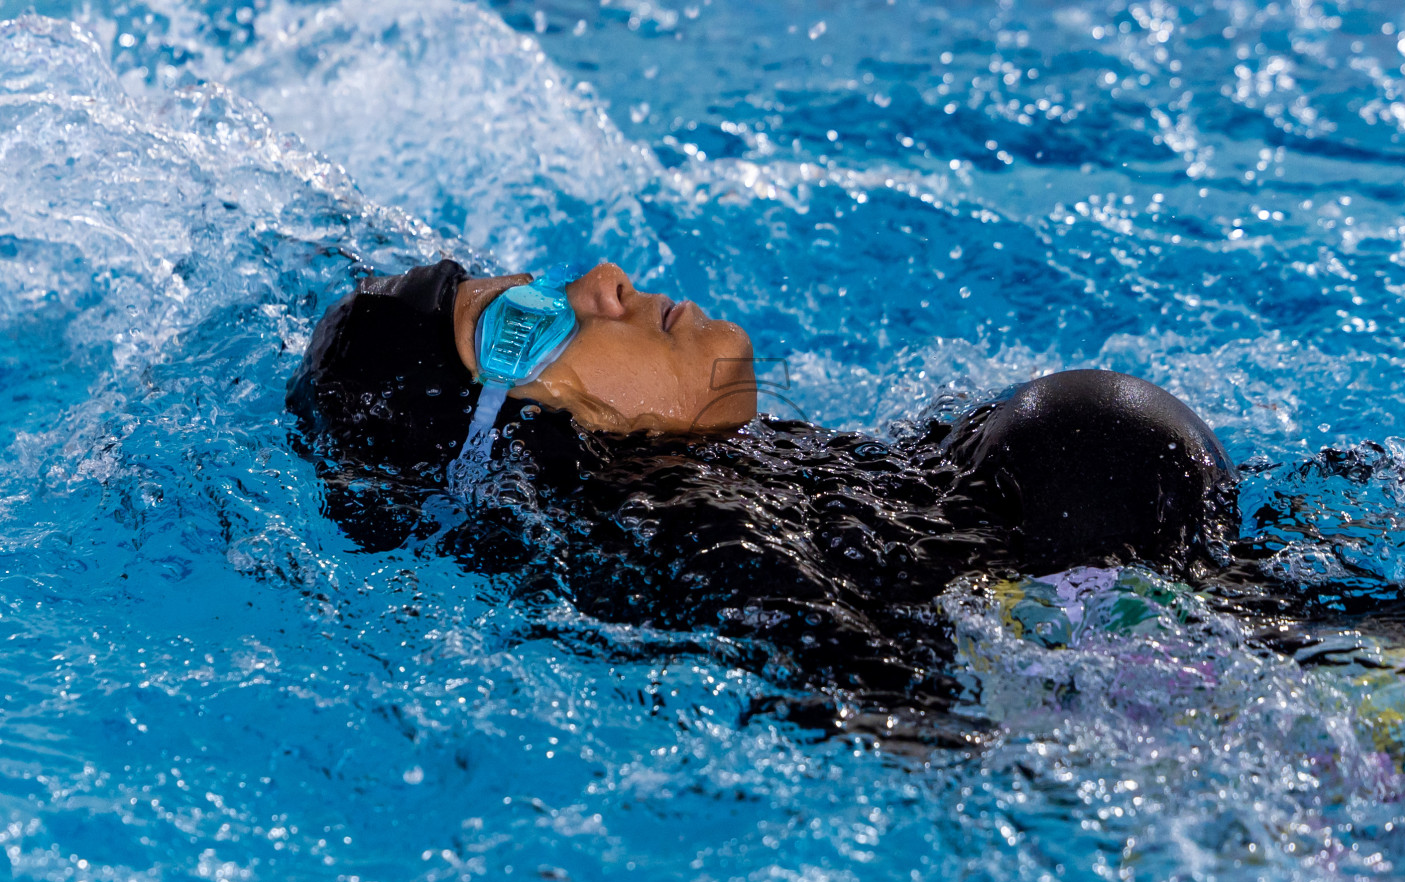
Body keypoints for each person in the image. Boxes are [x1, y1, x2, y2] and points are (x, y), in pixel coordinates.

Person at [287, 258, 1239, 736]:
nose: (603, 281)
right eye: (529, 322)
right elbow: (920, 717)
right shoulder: (684, 541)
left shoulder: (753, 484)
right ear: (525, 438)